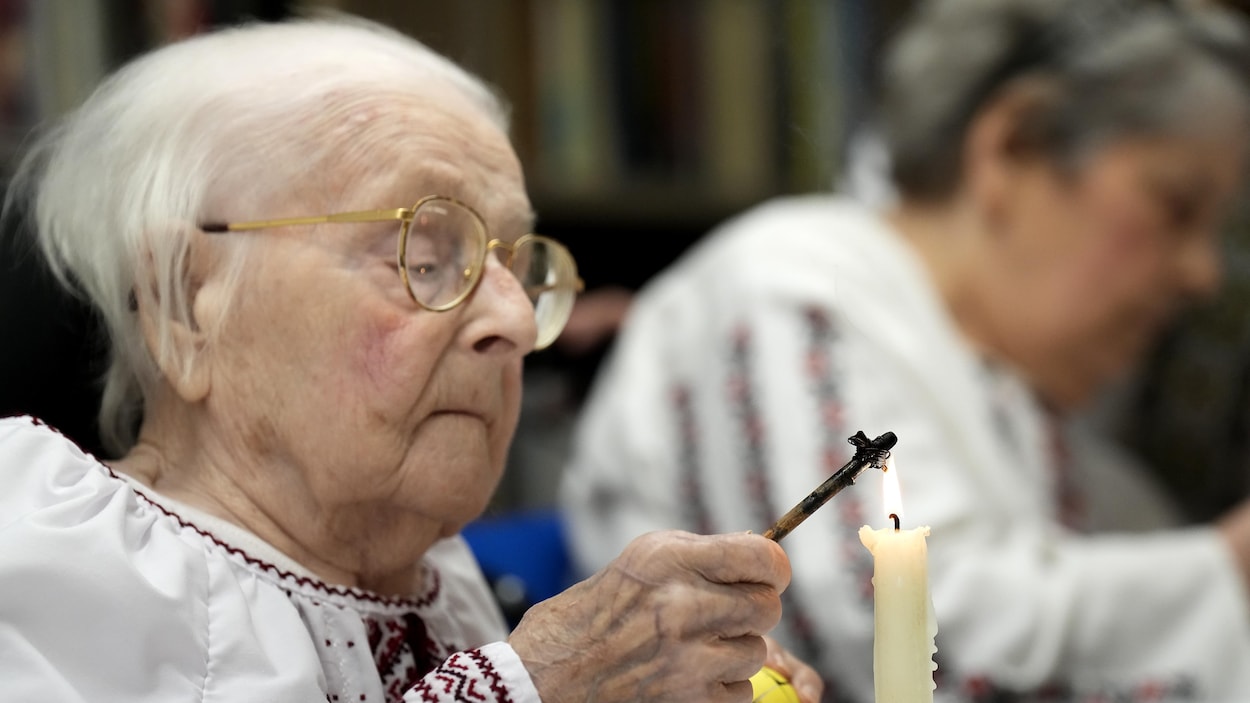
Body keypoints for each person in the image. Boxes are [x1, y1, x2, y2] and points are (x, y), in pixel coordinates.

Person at [0, 18, 824, 703]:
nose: (510, 318)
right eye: (424, 258)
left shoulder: (447, 585)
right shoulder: (44, 560)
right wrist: (530, 685)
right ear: (185, 300)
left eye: (517, 267)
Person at [560, 0, 1250, 700]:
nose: (1203, 272)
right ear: (1012, 144)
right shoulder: (792, 292)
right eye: (1176, 205)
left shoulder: (1027, 407)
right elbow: (885, 643)